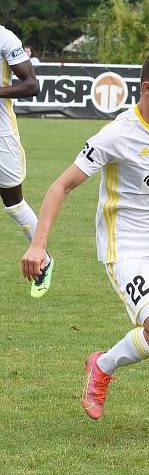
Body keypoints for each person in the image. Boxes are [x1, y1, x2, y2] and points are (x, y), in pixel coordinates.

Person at [21, 47, 149, 435]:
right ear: (147, 89)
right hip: (127, 250)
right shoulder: (117, 134)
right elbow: (61, 186)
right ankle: (101, 365)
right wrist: (38, 245)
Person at [1, 25, 52, 298]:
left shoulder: (4, 38)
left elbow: (31, 84)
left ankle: (43, 258)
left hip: (2, 136)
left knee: (14, 203)